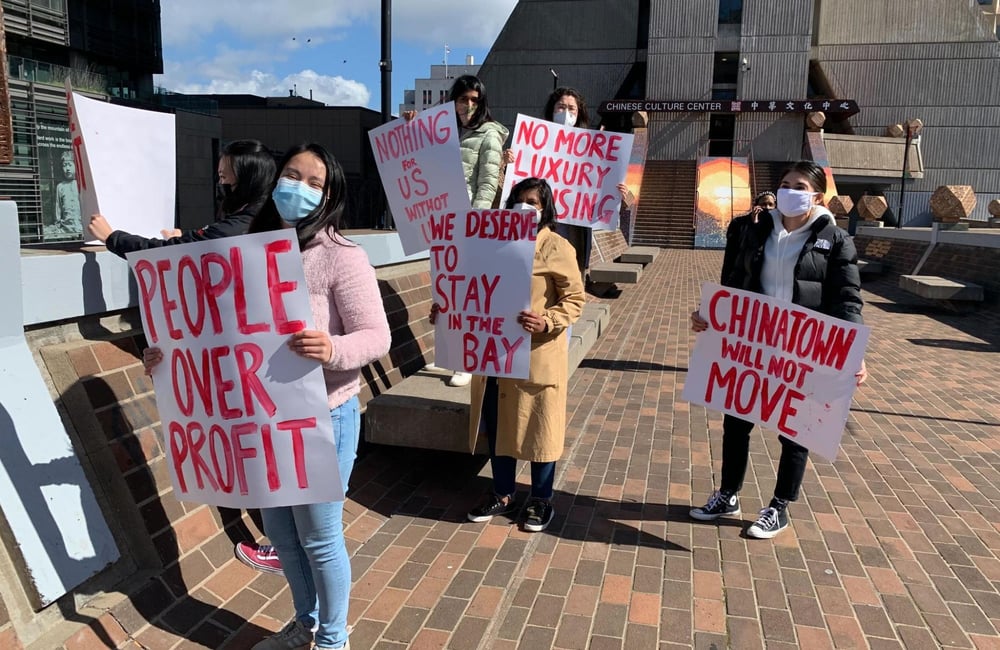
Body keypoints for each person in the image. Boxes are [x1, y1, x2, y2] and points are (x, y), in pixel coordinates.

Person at [144, 143, 389, 650]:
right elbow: (214, 334)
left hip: (323, 419)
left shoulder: (342, 257)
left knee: (320, 537)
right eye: (291, 175)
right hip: (263, 420)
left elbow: (375, 336)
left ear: (330, 195)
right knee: (281, 533)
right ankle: (307, 622)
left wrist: (332, 348)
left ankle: (333, 639)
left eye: (314, 182)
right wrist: (167, 357)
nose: (297, 187)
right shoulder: (244, 254)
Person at [689, 161, 868, 539]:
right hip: (752, 344)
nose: (789, 191)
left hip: (803, 348)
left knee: (796, 430)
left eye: (799, 185)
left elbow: (847, 299)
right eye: (784, 184)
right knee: (736, 421)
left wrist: (852, 350)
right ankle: (728, 494)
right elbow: (732, 284)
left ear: (817, 195)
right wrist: (710, 315)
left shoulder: (836, 241)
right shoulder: (751, 231)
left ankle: (779, 506)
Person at [432, 177, 585, 533]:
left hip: (536, 355)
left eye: (533, 201)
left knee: (539, 428)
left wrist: (547, 320)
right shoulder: (491, 243)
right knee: (500, 425)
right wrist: (449, 311)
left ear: (545, 209)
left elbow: (575, 299)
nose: (525, 206)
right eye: (519, 199)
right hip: (495, 355)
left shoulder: (556, 247)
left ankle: (541, 498)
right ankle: (503, 493)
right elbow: (471, 286)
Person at [503, 87, 633, 283]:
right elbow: (514, 191)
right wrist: (506, 164)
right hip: (537, 232)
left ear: (579, 112)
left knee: (568, 285)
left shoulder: (593, 148)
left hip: (573, 235)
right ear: (552, 110)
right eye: (561, 107)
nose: (566, 113)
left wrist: (622, 196)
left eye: (572, 109)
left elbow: (608, 199)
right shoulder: (533, 141)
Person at [88, 139, 275, 258]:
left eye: (224, 177)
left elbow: (163, 252)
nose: (220, 183)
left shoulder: (240, 226)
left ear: (246, 180)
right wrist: (185, 239)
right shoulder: (266, 215)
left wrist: (111, 237)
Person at [721, 190, 776, 283]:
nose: (767, 207)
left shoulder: (776, 226)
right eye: (763, 204)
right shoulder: (738, 223)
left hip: (764, 278)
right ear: (756, 206)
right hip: (741, 277)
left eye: (771, 205)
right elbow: (730, 254)